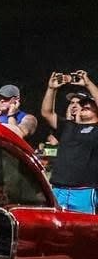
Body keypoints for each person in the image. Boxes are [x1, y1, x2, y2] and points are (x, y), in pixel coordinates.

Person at [40, 71, 98, 213]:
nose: (84, 105)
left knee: (84, 226)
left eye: (88, 103)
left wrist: (88, 84)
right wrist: (52, 89)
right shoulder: (67, 126)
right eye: (82, 104)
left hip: (84, 191)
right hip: (58, 190)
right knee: (55, 226)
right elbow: (47, 113)